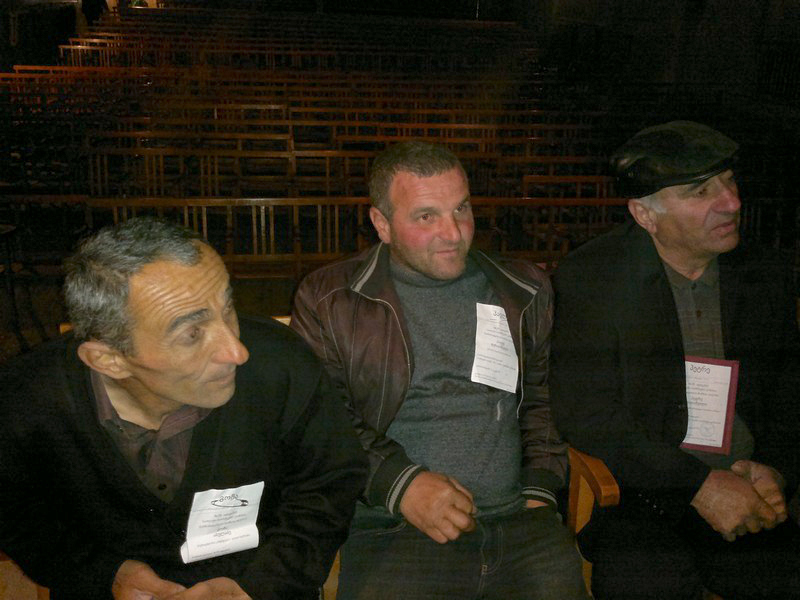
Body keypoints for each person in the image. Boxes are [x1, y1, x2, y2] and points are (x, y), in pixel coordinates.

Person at [0, 217, 367, 600]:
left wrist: (262, 585)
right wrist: (104, 574)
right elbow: (16, 514)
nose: (237, 351)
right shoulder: (25, 401)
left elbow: (329, 483)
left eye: (227, 307)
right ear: (109, 360)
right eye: (192, 333)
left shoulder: (283, 366)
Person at [290, 141, 587, 600]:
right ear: (382, 224)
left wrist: (540, 492)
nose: (453, 233)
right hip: (396, 525)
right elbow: (320, 420)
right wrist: (401, 485)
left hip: (521, 523)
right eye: (426, 216)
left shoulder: (523, 288)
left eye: (461, 209)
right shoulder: (331, 299)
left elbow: (541, 398)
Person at [550, 120, 800, 599]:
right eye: (701, 191)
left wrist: (775, 471)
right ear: (645, 214)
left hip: (748, 484)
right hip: (643, 494)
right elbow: (586, 412)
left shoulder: (763, 272)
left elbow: (789, 389)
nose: (731, 202)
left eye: (729, 181)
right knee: (649, 583)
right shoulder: (592, 278)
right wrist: (699, 486)